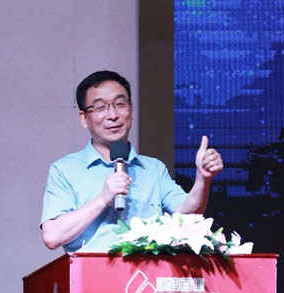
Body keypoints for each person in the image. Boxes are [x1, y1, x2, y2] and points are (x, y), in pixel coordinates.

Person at [41, 70, 223, 252]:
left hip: (146, 270)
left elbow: (189, 216)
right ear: (84, 118)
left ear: (131, 109)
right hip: (90, 270)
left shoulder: (153, 169)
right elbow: (52, 237)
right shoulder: (65, 170)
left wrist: (202, 180)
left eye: (120, 104)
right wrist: (102, 199)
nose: (113, 115)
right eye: (101, 107)